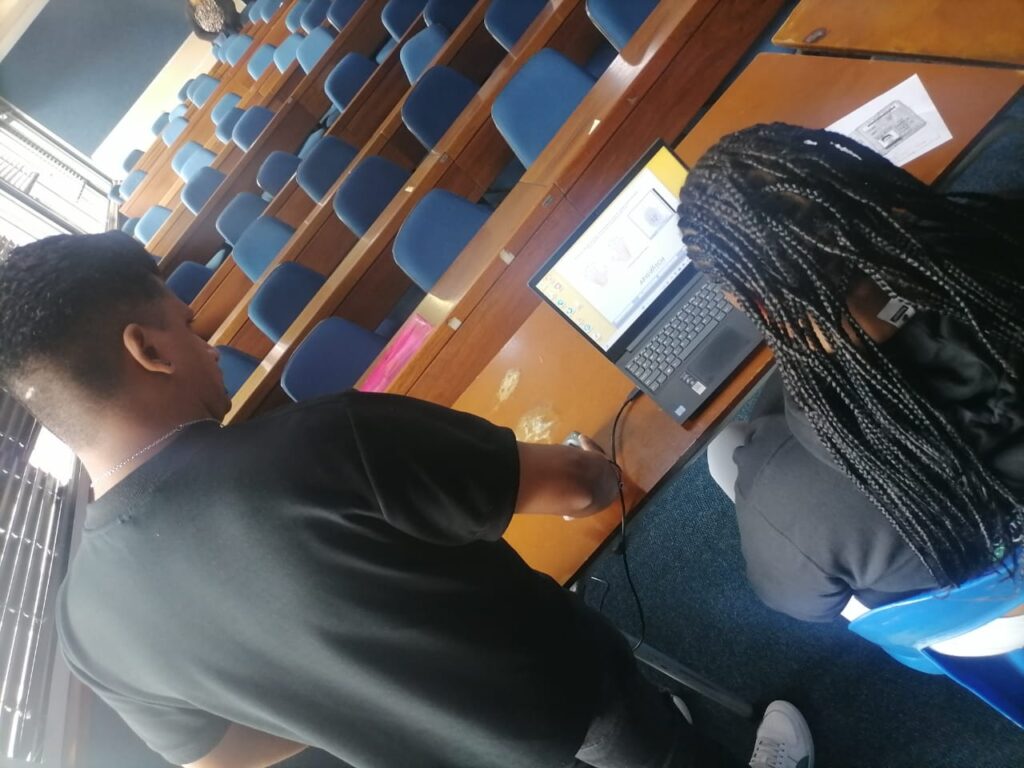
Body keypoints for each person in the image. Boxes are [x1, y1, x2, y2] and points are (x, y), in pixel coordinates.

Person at [0, 233, 813, 767]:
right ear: (146, 349)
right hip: (566, 699)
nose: (209, 345)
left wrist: (360, 703)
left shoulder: (84, 631)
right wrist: (590, 466)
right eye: (187, 326)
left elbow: (218, 757)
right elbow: (577, 489)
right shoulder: (323, 442)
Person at [677, 122, 1024, 623]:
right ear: (877, 197)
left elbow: (807, 606)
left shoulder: (792, 500)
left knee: (724, 449)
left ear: (757, 307)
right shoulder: (1004, 232)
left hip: (996, 616)